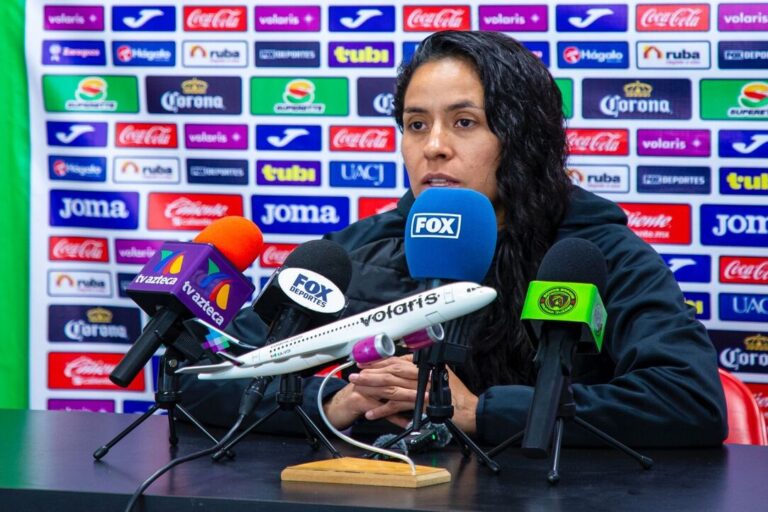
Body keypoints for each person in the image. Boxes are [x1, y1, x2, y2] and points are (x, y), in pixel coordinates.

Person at [181, 30, 727, 448]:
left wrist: (482, 410)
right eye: (416, 125)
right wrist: (334, 400)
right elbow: (206, 381)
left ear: (523, 138)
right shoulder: (352, 251)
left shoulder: (593, 254)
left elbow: (687, 401)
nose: (434, 147)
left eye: (464, 123)